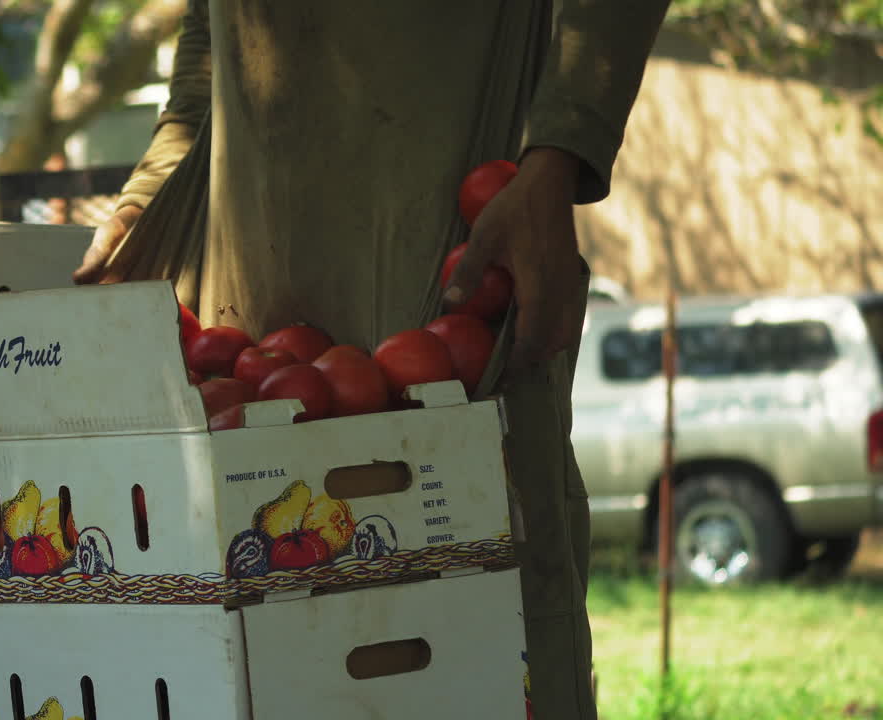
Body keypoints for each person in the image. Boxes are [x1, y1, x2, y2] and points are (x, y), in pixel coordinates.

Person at [74, 3, 670, 718]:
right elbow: (214, 38)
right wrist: (149, 196)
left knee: (477, 641)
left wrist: (558, 157)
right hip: (246, 345)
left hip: (457, 314)